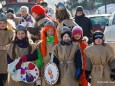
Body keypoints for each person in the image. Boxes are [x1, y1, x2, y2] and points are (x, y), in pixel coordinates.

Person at [36, 21, 58, 86]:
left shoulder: (57, 43)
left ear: (54, 31)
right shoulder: (41, 44)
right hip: (45, 67)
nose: (50, 32)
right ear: (45, 32)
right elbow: (39, 57)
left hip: (56, 67)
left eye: (52, 31)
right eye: (48, 31)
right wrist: (39, 67)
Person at [0, 13, 14, 86]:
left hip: (6, 57)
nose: (2, 24)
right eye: (0, 23)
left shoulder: (10, 32)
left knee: (6, 77)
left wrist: (10, 45)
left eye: (4, 23)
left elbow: (13, 41)